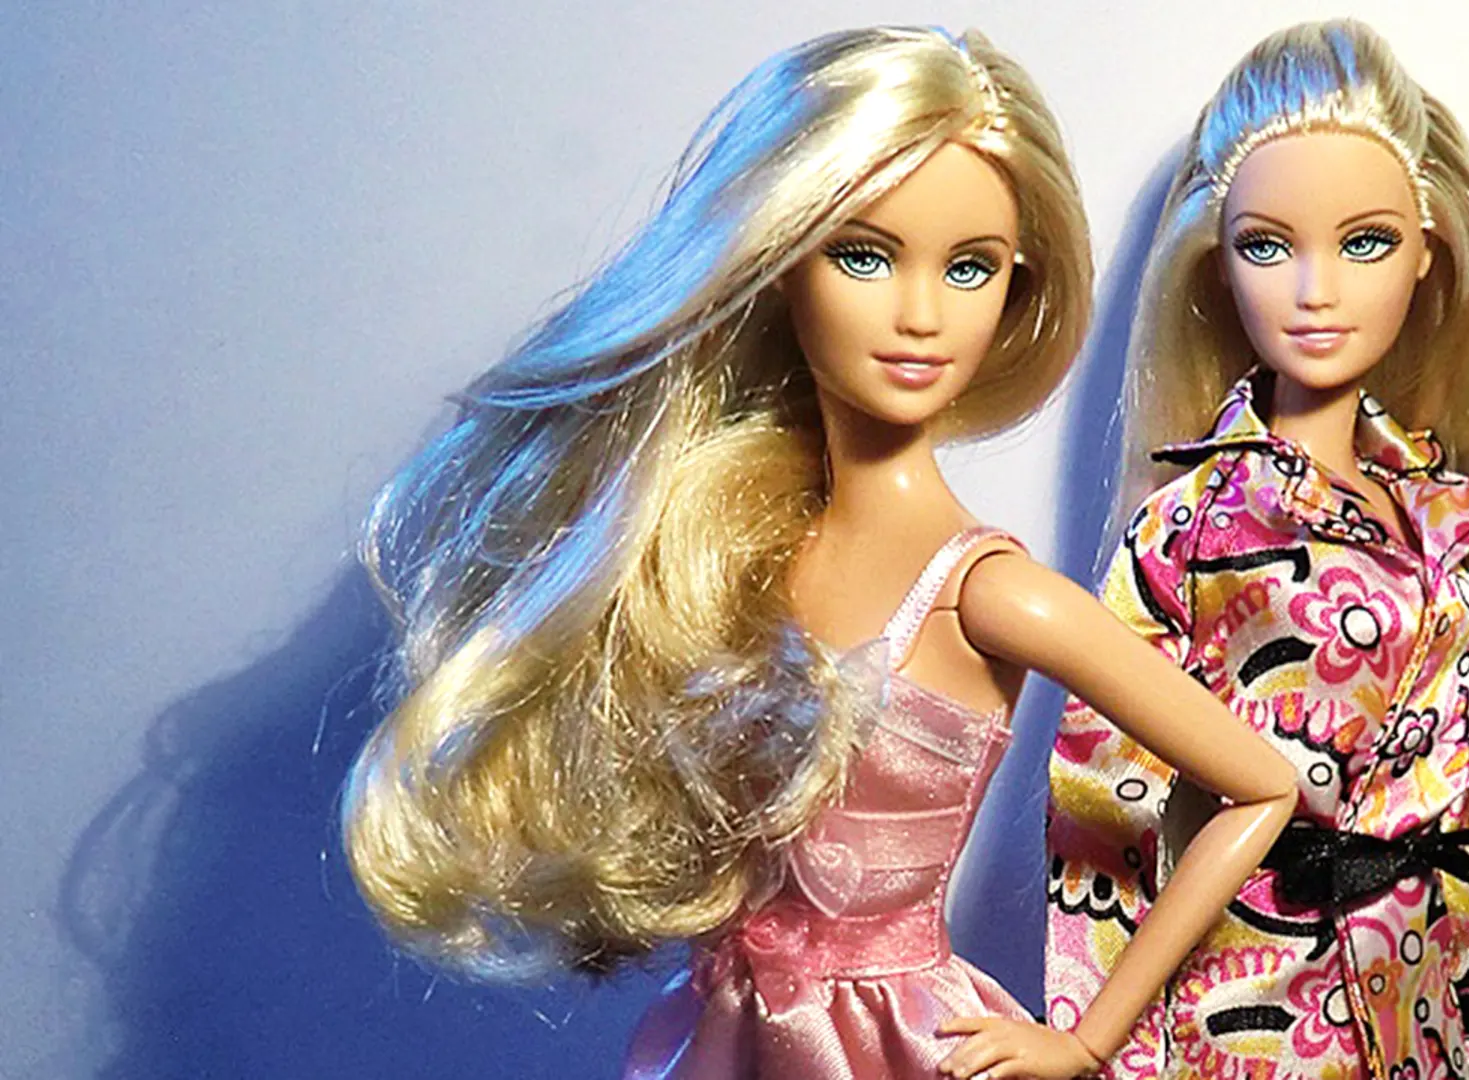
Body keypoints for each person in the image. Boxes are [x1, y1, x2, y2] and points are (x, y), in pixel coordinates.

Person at [341, 26, 1298, 1079]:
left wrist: (1083, 1039)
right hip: (723, 1030)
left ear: (1019, 286)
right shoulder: (726, 552)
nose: (921, 316)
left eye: (970, 268)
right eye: (863, 255)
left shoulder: (988, 595)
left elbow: (1261, 786)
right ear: (778, 261)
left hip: (894, 1044)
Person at [1046, 19, 1469, 1079]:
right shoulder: (1194, 524)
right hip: (1260, 1014)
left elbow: (1445, 827)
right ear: (1215, 265)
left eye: (1364, 242)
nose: (1315, 290)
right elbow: (1101, 802)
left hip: (1413, 1004)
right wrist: (1088, 1041)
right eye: (1267, 245)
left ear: (1429, 253)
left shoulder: (1435, 508)